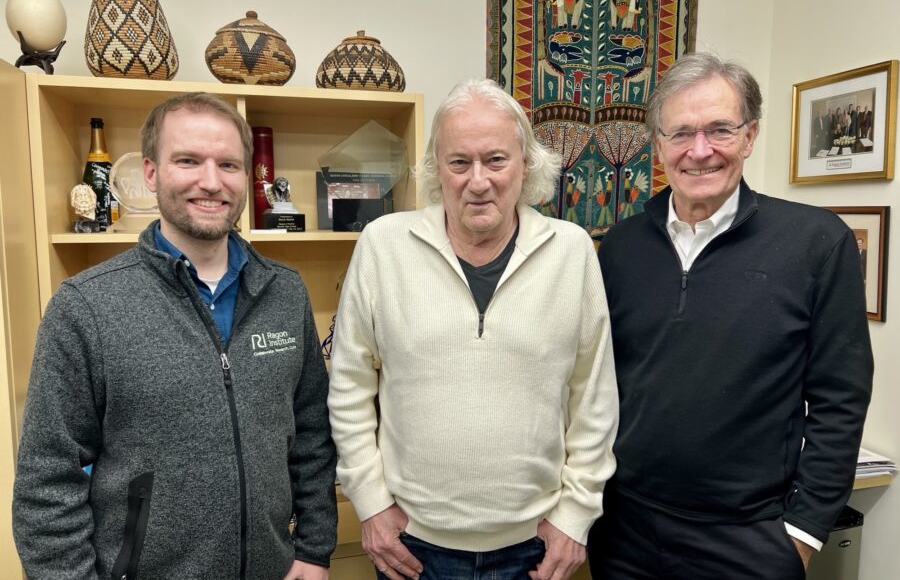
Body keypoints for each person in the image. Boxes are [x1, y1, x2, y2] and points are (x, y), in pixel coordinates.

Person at [13, 92, 337, 579]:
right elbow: (47, 481)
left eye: (228, 164)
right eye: (188, 160)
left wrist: (314, 549)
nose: (211, 182)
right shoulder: (86, 306)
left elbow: (312, 435)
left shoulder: (285, 292)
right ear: (151, 172)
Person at [588, 52, 873, 579]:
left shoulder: (816, 242)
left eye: (720, 129)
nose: (700, 151)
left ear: (749, 136)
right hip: (625, 530)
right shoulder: (621, 246)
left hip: (750, 537)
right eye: (681, 133)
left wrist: (804, 531)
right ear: (658, 145)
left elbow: (841, 399)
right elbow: (596, 382)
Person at [328, 78, 618, 580]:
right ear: (436, 168)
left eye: (496, 160)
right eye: (459, 162)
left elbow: (593, 398)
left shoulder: (571, 252)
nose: (478, 181)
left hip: (534, 548)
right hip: (411, 548)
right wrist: (370, 503)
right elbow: (349, 385)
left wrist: (576, 517)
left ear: (525, 164)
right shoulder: (382, 245)